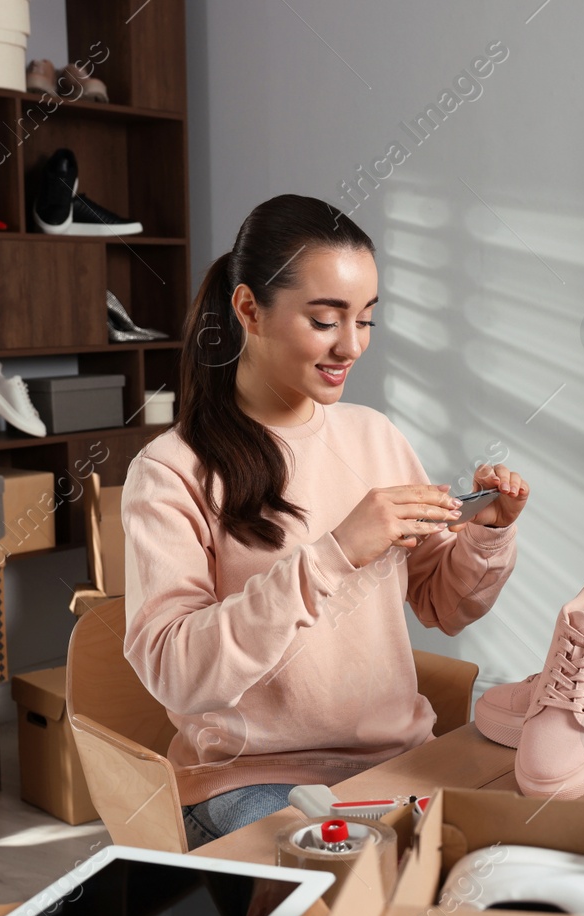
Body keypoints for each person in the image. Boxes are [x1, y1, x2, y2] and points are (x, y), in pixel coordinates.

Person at [121, 194, 531, 848]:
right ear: (249, 308)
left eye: (367, 320)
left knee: (512, 855)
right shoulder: (171, 469)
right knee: (351, 883)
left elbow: (442, 604)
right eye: (325, 319)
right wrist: (336, 552)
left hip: (397, 760)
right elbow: (176, 670)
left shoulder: (375, 436)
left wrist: (488, 531)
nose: (352, 345)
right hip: (251, 780)